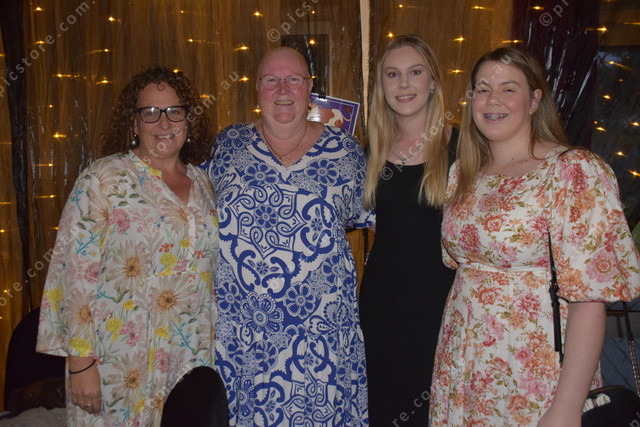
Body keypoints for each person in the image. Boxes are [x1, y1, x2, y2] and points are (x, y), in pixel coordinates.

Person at [429, 47, 640, 426]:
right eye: (482, 89)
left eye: (508, 89)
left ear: (534, 100)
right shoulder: (463, 173)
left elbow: (589, 300)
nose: (492, 100)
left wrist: (567, 407)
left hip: (534, 371)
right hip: (462, 365)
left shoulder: (573, 171)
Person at [201, 47, 374, 425]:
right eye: (271, 80)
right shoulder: (227, 144)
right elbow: (188, 212)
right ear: (257, 87)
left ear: (309, 88)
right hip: (240, 336)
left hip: (319, 339)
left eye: (294, 79)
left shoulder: (345, 151)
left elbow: (381, 223)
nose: (283, 89)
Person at [37, 66, 219, 426]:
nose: (164, 123)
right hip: (118, 358)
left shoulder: (203, 182)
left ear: (188, 120)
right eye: (150, 112)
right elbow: (73, 273)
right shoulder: (103, 179)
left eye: (174, 111)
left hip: (189, 355)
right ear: (134, 123)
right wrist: (81, 363)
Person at [358, 35, 457, 425]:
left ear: (432, 81)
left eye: (415, 72)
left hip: (442, 307)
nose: (403, 84)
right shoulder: (370, 149)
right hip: (381, 308)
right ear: (381, 86)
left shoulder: (465, 144)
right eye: (392, 74)